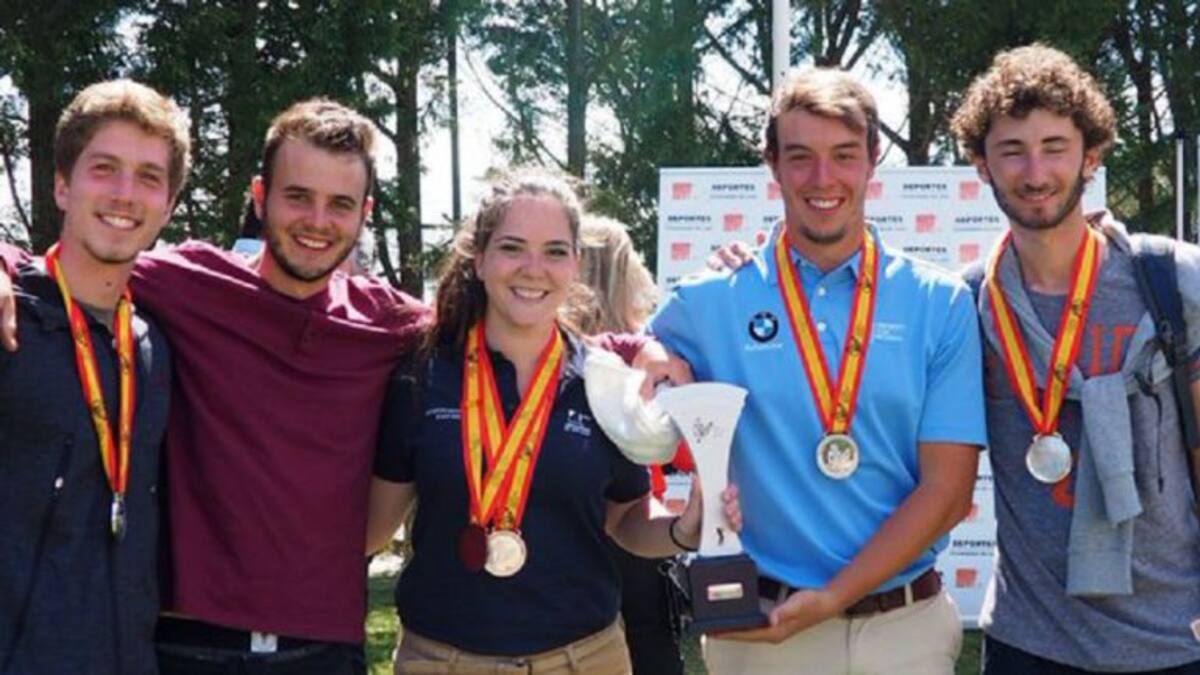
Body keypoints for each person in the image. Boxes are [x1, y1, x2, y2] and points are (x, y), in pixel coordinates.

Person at [0, 98, 430, 674]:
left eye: (340, 205)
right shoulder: (187, 283)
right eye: (298, 196)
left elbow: (495, 319)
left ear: (364, 213)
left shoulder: (392, 324)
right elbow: (63, 262)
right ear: (260, 196)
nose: (317, 221)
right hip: (185, 645)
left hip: (326, 653)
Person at [648, 67, 987, 674]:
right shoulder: (708, 300)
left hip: (903, 630)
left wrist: (834, 596)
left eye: (844, 155)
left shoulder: (940, 303)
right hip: (760, 628)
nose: (823, 179)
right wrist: (648, 361)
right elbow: (621, 374)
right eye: (800, 157)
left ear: (873, 159)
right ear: (772, 165)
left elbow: (948, 491)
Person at [365, 172, 738, 674]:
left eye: (555, 251)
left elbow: (625, 521)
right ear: (479, 259)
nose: (533, 269)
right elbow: (371, 530)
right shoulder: (422, 372)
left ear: (577, 265)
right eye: (513, 247)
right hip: (443, 661)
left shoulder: (604, 380)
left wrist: (685, 528)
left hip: (584, 660)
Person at [950, 44, 1200, 674]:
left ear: (1090, 155)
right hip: (1029, 641)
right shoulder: (969, 305)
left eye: (1055, 147)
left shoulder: (1173, 280)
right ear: (981, 164)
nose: (1035, 172)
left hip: (1172, 638)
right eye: (1011, 150)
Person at [0, 80, 187, 675]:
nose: (125, 194)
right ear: (62, 184)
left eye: (149, 177)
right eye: (104, 168)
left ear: (169, 206)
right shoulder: (8, 324)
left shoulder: (154, 347)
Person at [567, 214, 689, 675]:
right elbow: (682, 453)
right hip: (638, 530)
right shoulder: (644, 355)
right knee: (649, 646)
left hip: (578, 532)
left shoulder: (556, 357)